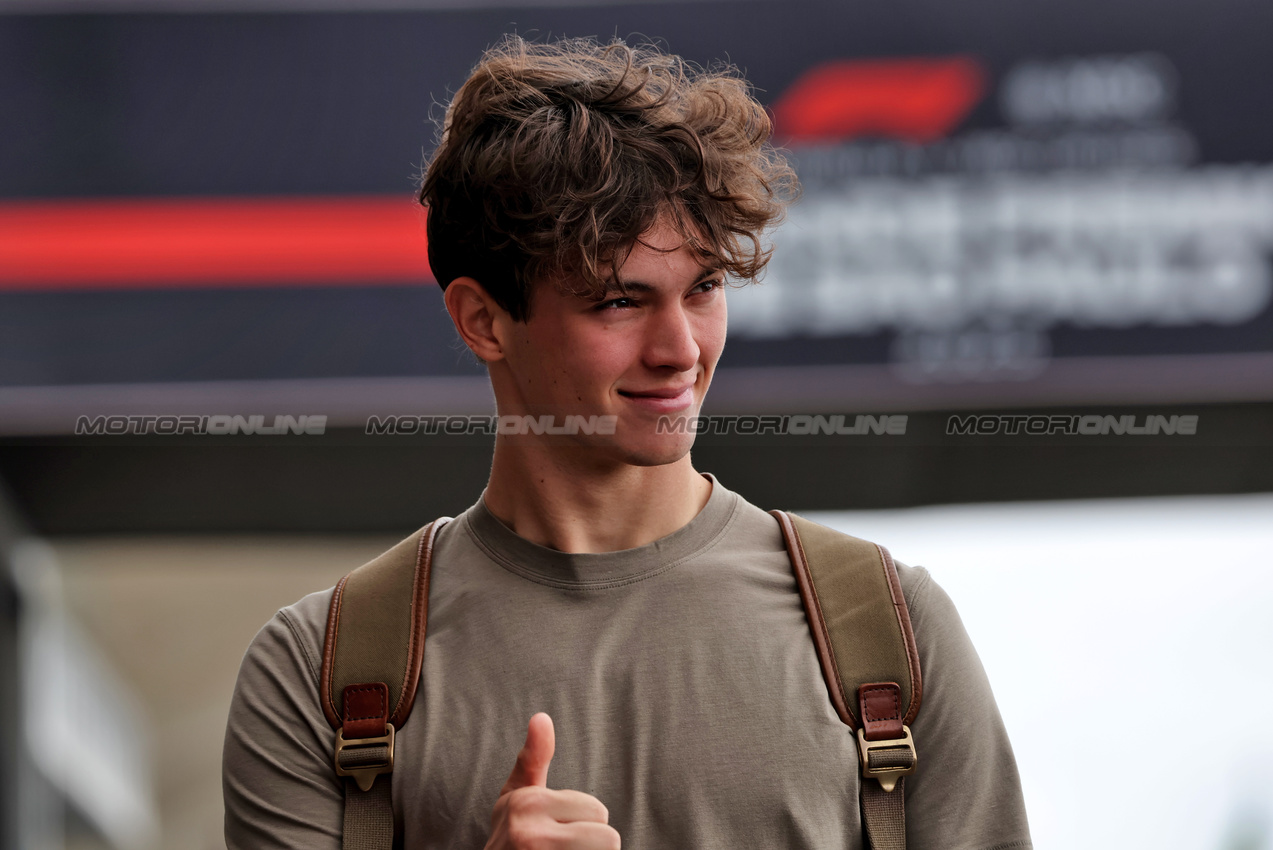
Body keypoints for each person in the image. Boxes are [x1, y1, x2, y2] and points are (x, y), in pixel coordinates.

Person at [223, 35, 1032, 850]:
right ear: (483, 321)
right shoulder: (320, 673)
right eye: (619, 302)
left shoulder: (888, 632)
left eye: (704, 287)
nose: (681, 350)